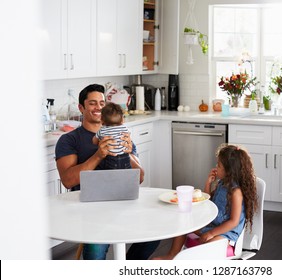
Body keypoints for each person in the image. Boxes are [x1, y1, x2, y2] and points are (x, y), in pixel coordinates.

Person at [55, 84, 160, 260]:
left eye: (102, 103)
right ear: (81, 108)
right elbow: (67, 180)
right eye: (92, 103)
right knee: (96, 250)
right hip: (89, 209)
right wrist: (98, 155)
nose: (98, 108)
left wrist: (128, 153)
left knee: (156, 231)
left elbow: (140, 177)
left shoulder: (123, 136)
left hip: (123, 201)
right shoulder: (69, 140)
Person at [153, 144, 258, 260]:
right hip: (213, 225)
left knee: (209, 246)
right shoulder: (222, 184)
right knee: (184, 225)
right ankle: (172, 255)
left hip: (227, 233)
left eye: (219, 165)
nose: (216, 167)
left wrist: (212, 233)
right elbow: (209, 202)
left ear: (229, 170)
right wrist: (208, 183)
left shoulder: (236, 192)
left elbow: (233, 222)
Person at [92, 102, 131, 170]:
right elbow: (128, 137)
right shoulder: (124, 128)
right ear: (122, 119)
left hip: (111, 159)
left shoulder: (102, 130)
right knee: (126, 174)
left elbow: (94, 141)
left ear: (101, 120)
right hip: (125, 157)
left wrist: (97, 141)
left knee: (108, 173)